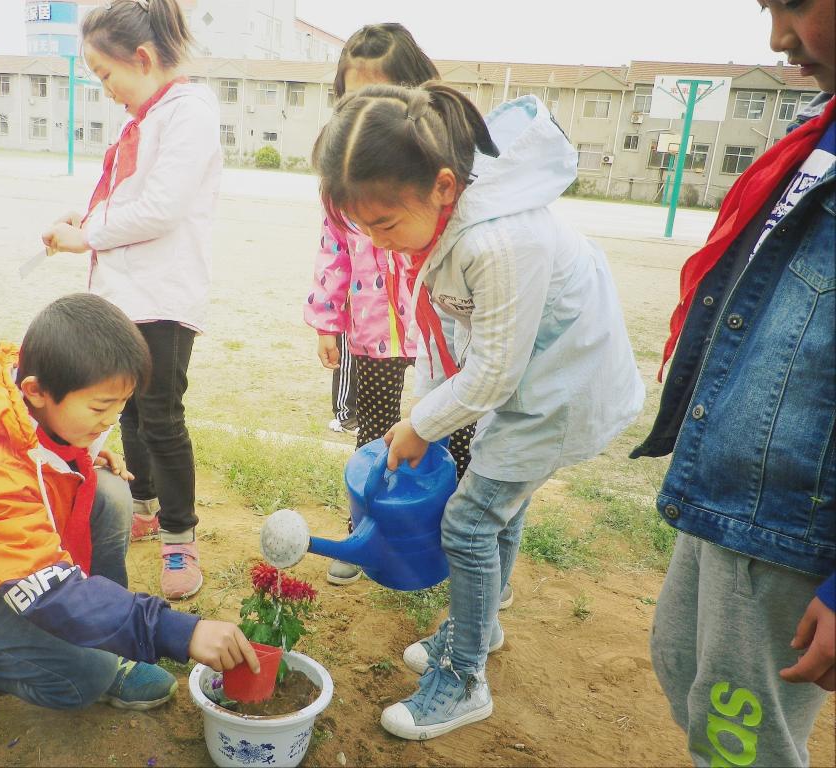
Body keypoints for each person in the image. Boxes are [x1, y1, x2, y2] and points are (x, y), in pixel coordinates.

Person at [313, 82, 644, 739]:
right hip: (527, 383)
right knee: (500, 508)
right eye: (363, 227)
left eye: (384, 224)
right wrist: (428, 414)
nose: (376, 242)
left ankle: (464, 679)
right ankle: (480, 626)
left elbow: (493, 371)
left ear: (442, 186)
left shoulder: (499, 242)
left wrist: (420, 425)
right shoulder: (444, 225)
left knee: (467, 524)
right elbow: (446, 336)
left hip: (559, 392)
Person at [0, 294, 258, 726]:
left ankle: (110, 643)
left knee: (110, 492)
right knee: (84, 678)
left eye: (121, 405)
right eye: (99, 407)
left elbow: (35, 461)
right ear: (36, 391)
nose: (110, 421)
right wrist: (176, 631)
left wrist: (72, 458)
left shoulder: (30, 396)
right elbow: (50, 592)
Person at [630, 1, 834, 764]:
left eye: (795, 2)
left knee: (740, 741)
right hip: (732, 494)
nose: (777, 37)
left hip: (791, 525)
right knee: (684, 667)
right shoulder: (815, 133)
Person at [42, 0, 220, 600]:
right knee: (130, 411)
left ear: (142, 58)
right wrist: (87, 217)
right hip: (123, 295)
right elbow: (133, 197)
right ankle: (143, 504)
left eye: (105, 74)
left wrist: (88, 234)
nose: (106, 89)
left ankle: (179, 537)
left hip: (162, 297)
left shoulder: (188, 111)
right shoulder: (148, 116)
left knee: (162, 417)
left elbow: (162, 208)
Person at [305, 23, 480, 588]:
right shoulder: (344, 177)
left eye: (381, 95)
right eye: (353, 98)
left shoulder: (436, 176)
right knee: (377, 433)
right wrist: (327, 320)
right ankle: (366, 533)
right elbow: (332, 249)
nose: (366, 111)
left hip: (439, 330)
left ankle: (449, 543)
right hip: (371, 328)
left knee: (452, 434)